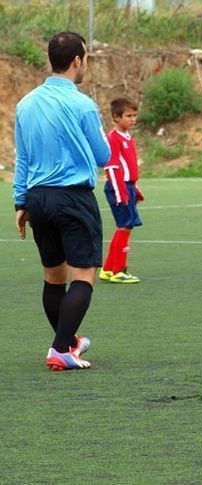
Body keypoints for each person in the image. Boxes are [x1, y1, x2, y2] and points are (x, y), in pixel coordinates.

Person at [13, 31, 111, 371]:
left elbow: (22, 159)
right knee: (84, 274)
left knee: (53, 277)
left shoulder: (25, 104)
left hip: (38, 199)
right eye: (86, 57)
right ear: (77, 61)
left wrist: (19, 202)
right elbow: (103, 155)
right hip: (72, 197)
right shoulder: (83, 104)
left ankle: (68, 342)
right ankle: (60, 349)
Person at [98, 96, 144, 284]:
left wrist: (135, 187)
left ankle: (108, 269)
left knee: (124, 226)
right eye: (128, 116)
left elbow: (129, 167)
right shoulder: (113, 138)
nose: (132, 119)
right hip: (119, 188)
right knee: (125, 226)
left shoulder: (128, 137)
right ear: (116, 117)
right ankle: (119, 270)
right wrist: (121, 192)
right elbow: (113, 167)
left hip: (128, 187)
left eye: (134, 115)